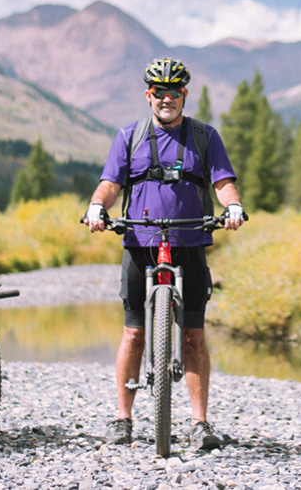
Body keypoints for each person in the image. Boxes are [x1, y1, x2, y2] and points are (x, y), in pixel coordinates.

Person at [83, 58, 246, 451]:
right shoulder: (129, 136)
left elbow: (222, 182)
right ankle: (123, 419)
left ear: (184, 95)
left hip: (190, 240)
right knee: (134, 331)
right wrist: (96, 208)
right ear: (148, 96)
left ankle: (199, 424)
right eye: (160, 93)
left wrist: (234, 207)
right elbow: (110, 184)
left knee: (193, 335)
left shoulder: (205, 136)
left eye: (174, 92)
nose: (167, 99)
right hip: (140, 241)